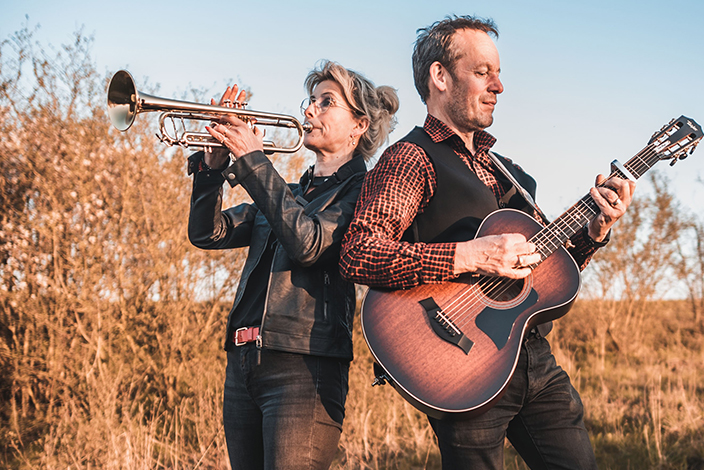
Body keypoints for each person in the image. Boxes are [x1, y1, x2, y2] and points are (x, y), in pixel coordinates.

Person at [339, 16, 634, 470]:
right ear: (440, 76)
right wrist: (470, 254)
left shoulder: (510, 172)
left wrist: (595, 233)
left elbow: (546, 269)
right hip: (461, 361)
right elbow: (360, 252)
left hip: (534, 358)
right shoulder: (411, 158)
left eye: (498, 74)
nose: (499, 85)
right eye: (482, 72)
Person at [187, 60, 398, 470]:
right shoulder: (286, 193)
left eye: (326, 102)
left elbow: (309, 243)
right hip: (243, 364)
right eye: (311, 100)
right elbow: (207, 233)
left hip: (304, 369)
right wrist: (212, 171)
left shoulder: (364, 192)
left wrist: (252, 160)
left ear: (359, 125)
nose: (309, 111)